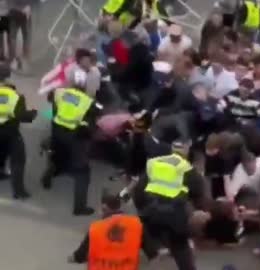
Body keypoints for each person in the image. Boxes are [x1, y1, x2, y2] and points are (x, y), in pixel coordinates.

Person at [41, 70, 101, 216]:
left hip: (56, 133)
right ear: (85, 85)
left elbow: (51, 100)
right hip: (74, 137)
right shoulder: (88, 101)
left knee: (56, 157)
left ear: (72, 82)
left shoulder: (59, 93)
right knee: (82, 172)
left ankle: (47, 178)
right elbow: (95, 116)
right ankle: (79, 207)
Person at [135, 139, 197, 270]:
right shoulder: (187, 168)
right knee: (181, 246)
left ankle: (157, 250)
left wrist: (142, 210)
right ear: (186, 152)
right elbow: (198, 194)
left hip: (152, 213)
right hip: (175, 217)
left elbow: (139, 191)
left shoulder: (154, 163)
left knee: (145, 230)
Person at [69, 192, 161, 268]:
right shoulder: (137, 226)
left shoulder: (95, 228)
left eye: (101, 209)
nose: (99, 212)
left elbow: (80, 255)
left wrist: (73, 258)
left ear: (105, 209)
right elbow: (153, 255)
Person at [0, 62, 36, 199]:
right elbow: (23, 117)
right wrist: (33, 113)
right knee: (18, 160)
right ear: (8, 75)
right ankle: (19, 191)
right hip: (10, 132)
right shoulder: (15, 96)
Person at [8, 0, 32, 70]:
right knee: (22, 37)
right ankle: (17, 60)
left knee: (18, 37)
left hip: (18, 11)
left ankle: (18, 60)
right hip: (17, 12)